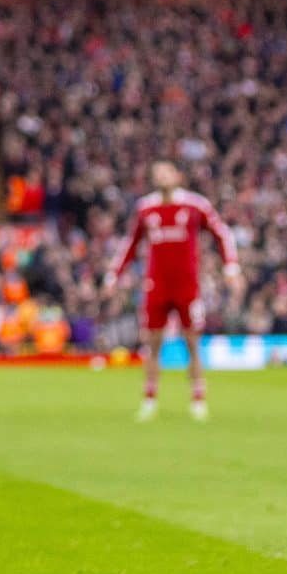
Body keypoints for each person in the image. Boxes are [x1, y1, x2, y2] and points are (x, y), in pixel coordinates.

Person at [106, 161, 242, 422]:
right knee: (152, 345)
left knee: (192, 343)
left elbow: (222, 233)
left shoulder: (195, 205)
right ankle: (149, 398)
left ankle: (198, 398)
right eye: (157, 171)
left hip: (187, 286)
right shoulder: (146, 207)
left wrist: (231, 267)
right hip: (156, 285)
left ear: (178, 175)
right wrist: (114, 275)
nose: (161, 175)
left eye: (166, 171)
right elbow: (131, 244)